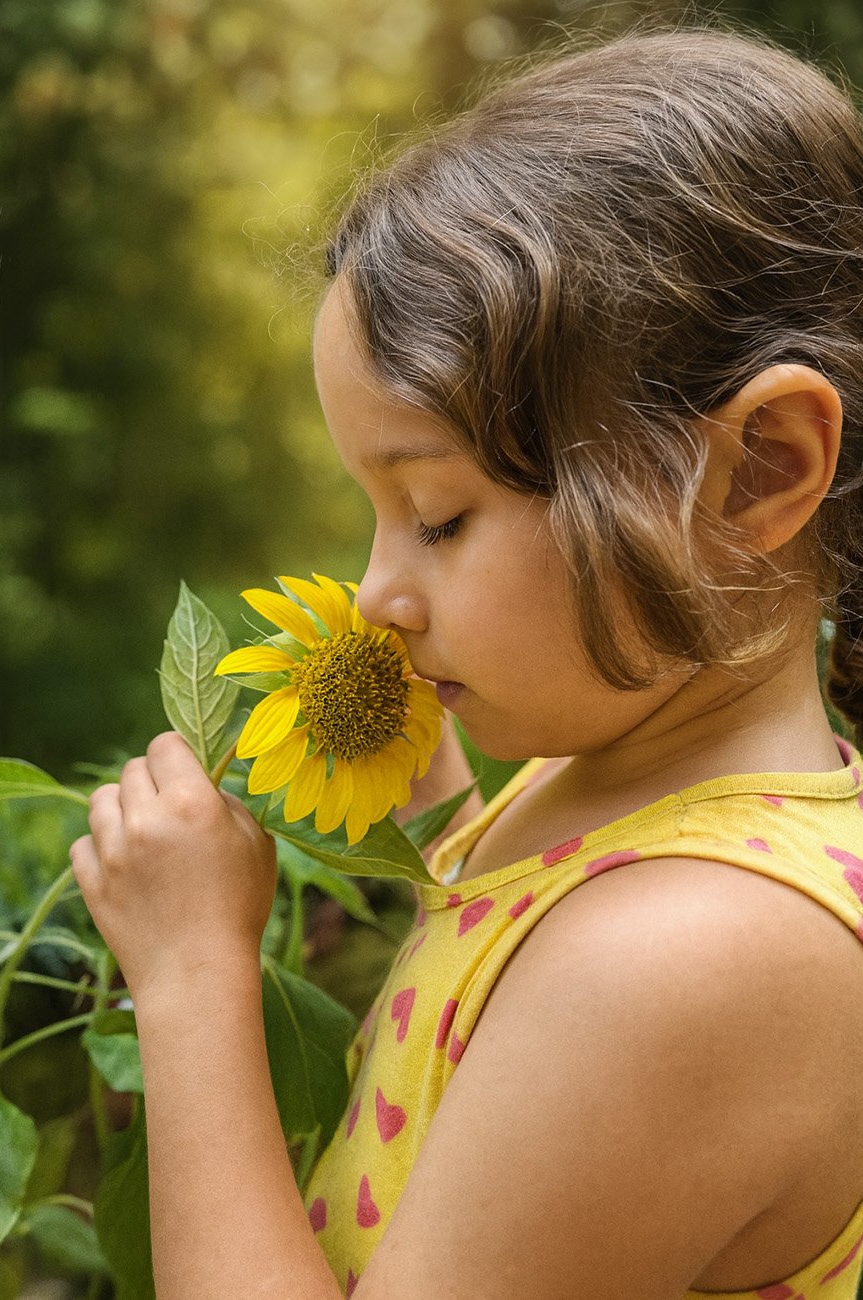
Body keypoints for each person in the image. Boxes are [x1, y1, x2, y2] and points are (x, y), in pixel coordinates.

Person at [69, 23, 863, 1299]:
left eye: (437, 516)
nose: (381, 591)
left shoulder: (687, 959)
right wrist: (434, 821)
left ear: (759, 470)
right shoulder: (621, 785)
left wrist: (192, 981)